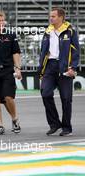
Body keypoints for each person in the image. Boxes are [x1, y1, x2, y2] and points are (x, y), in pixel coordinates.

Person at [38, 7, 79, 136]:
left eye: (53, 16)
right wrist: (41, 68)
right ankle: (54, 124)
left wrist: (72, 67)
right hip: (50, 66)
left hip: (64, 67)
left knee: (66, 98)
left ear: (61, 17)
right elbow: (43, 51)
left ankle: (66, 127)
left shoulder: (70, 31)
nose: (51, 18)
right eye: (50, 16)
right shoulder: (47, 31)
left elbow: (76, 51)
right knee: (45, 93)